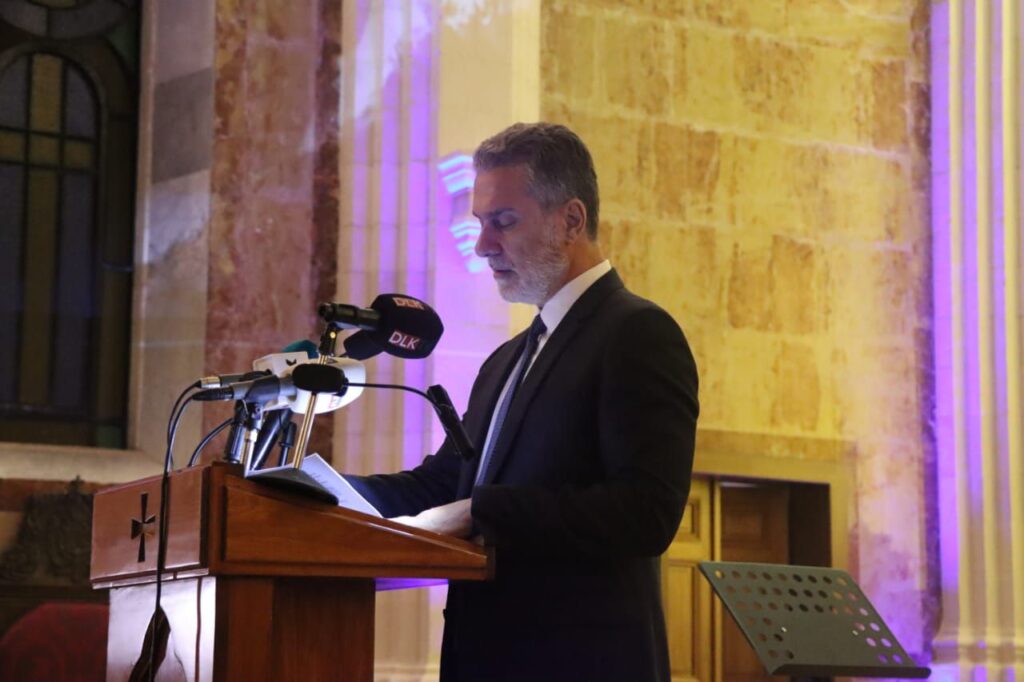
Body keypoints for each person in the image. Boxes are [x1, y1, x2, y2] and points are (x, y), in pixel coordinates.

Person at [346, 122, 699, 682]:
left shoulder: (637, 333)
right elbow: (444, 484)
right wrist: (329, 494)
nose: (483, 245)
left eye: (504, 222)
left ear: (571, 220)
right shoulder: (506, 360)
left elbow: (645, 513)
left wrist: (481, 511)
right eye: (481, 223)